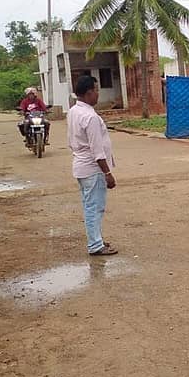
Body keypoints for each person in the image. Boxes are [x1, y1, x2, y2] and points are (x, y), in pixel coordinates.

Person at [67, 75, 118, 256]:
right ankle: (95, 244)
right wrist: (107, 173)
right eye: (96, 90)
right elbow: (97, 150)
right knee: (94, 207)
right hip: (92, 169)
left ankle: (96, 239)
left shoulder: (74, 111)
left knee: (90, 205)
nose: (98, 94)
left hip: (81, 167)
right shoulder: (90, 117)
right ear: (89, 93)